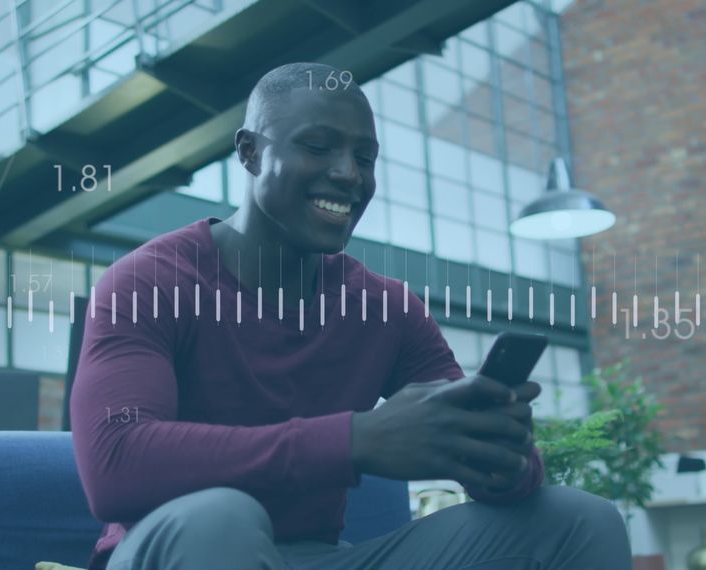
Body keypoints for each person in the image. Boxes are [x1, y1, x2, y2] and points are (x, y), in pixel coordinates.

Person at [70, 62, 631, 570]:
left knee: (582, 521)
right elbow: (115, 467)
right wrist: (355, 439)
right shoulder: (149, 281)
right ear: (249, 152)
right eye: (318, 146)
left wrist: (501, 455)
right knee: (222, 518)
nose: (348, 174)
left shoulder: (385, 308)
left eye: (365, 158)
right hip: (174, 550)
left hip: (318, 559)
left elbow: (489, 461)